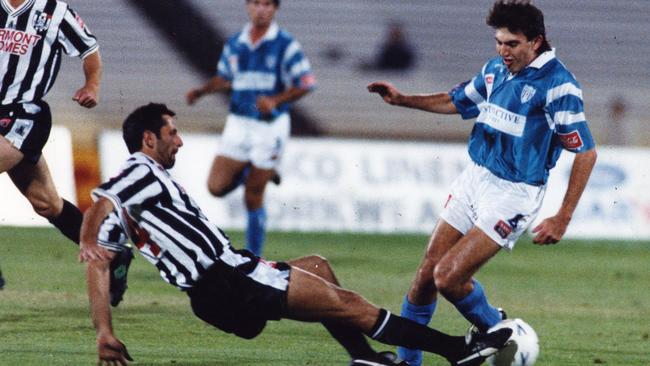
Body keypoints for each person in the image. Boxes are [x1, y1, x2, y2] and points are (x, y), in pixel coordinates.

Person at [79, 103, 513, 366]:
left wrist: (104, 331)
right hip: (229, 278)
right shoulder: (140, 171)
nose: (180, 141)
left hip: (215, 292)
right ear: (150, 138)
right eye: (172, 132)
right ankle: (459, 350)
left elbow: (101, 260)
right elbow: (100, 202)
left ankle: (362, 356)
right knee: (352, 306)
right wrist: (84, 237)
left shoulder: (135, 195)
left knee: (319, 269)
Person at [368, 1, 597, 365]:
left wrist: (562, 216)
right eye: (499, 42)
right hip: (474, 179)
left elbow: (585, 153)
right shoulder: (496, 70)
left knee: (448, 278)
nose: (503, 51)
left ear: (536, 42)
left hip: (513, 193)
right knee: (425, 276)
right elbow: (456, 101)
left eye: (512, 44)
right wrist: (402, 100)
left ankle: (500, 330)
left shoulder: (559, 85)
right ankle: (410, 363)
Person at [0, 0, 132, 303]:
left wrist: (92, 86)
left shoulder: (54, 11)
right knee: (47, 204)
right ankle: (115, 255)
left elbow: (90, 51)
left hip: (24, 115)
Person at [186, 0, 316, 257]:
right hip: (238, 122)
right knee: (216, 187)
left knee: (252, 196)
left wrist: (276, 100)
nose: (261, 9)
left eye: (267, 4)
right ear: (248, 6)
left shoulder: (285, 45)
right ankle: (261, 172)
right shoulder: (236, 42)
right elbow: (225, 77)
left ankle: (253, 258)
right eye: (257, 3)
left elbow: (306, 82)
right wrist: (201, 91)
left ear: (275, 9)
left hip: (269, 128)